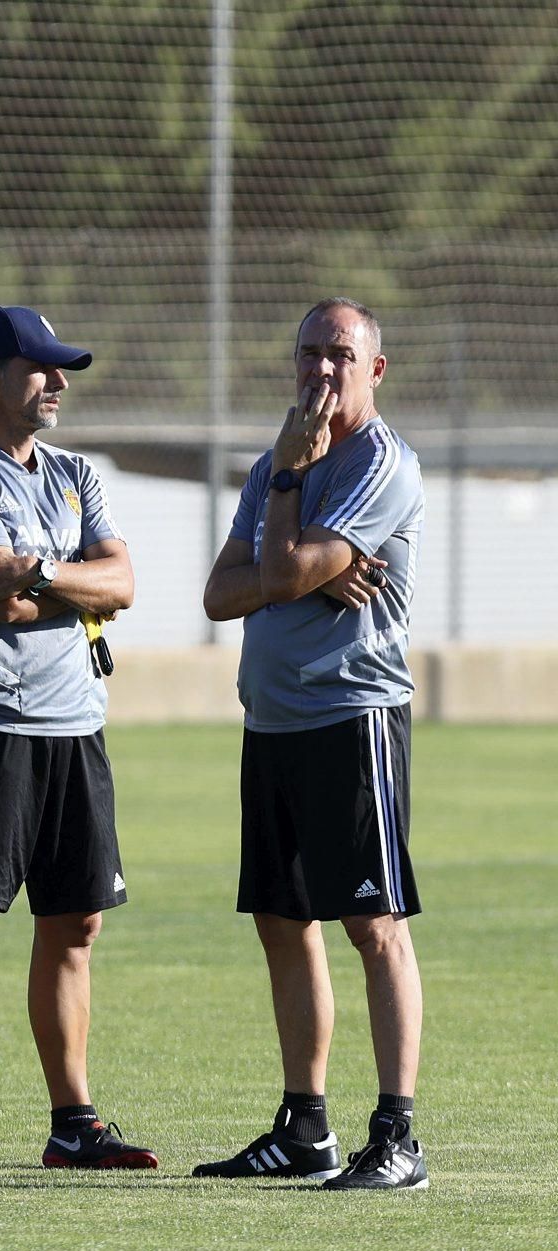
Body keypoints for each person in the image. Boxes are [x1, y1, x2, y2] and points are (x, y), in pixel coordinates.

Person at [0, 305, 158, 1176]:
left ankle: (72, 1123)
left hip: (76, 726)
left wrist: (45, 571)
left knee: (76, 920)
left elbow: (122, 583)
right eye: (39, 367)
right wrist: (75, 588)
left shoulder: (76, 474)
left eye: (61, 369)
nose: (57, 382)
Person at [192, 297, 427, 1190]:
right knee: (282, 921)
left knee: (373, 924)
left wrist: (287, 528)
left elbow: (277, 570)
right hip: (274, 720)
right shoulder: (272, 462)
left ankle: (398, 1136)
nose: (320, 370)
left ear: (375, 369)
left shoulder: (379, 463)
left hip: (351, 714)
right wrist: (295, 563)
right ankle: (305, 1127)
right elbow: (220, 593)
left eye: (339, 354)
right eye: (307, 354)